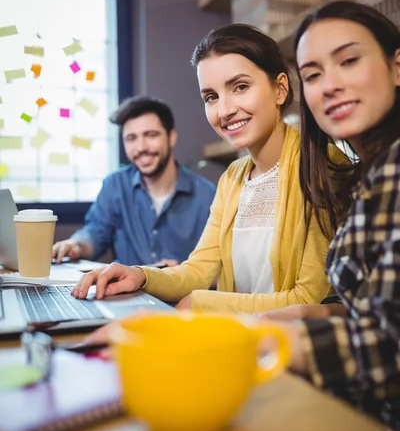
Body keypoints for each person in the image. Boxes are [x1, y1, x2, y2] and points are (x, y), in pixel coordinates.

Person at [72, 24, 336, 312]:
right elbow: (198, 270)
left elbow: (310, 300)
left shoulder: (324, 167)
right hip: (238, 342)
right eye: (211, 97)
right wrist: (140, 274)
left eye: (241, 87)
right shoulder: (233, 177)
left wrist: (203, 302)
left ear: (280, 89)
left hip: (293, 349)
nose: (224, 111)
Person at [259, 0, 400, 428]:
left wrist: (250, 338)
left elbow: (387, 347)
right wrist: (318, 313)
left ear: (397, 67)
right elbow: (377, 307)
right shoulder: (367, 174)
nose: (330, 85)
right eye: (314, 75)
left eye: (349, 61)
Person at [52, 95, 216, 266]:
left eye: (151, 135)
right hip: (127, 292)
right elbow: (95, 233)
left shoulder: (206, 194)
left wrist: (183, 273)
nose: (141, 147)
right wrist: (75, 245)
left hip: (183, 292)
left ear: (171, 137)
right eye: (131, 138)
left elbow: (219, 266)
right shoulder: (115, 185)